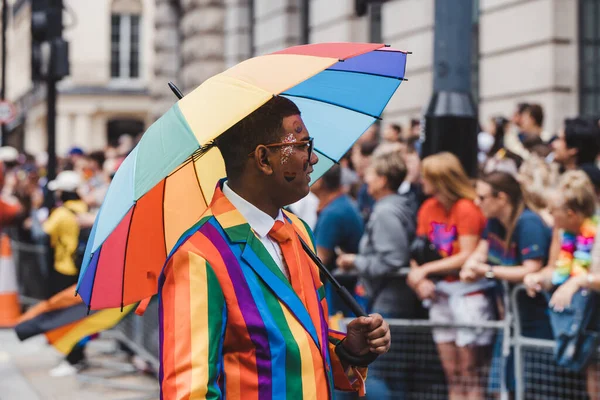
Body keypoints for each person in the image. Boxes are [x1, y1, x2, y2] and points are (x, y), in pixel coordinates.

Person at [158, 96, 391, 399]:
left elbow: (296, 346)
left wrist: (349, 350)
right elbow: (188, 393)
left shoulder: (300, 233)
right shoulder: (198, 255)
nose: (314, 158)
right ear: (264, 159)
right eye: (303, 146)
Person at [407, 152, 491, 400]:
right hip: (440, 294)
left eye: (426, 176)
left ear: (440, 179)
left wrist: (425, 271)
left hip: (467, 293)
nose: (422, 180)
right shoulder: (428, 207)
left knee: (470, 371)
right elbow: (418, 250)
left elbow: (467, 254)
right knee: (451, 372)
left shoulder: (467, 208)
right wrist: (419, 276)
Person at [460, 171, 553, 394]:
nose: (476, 202)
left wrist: (487, 272)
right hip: (512, 318)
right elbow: (480, 254)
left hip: (538, 319)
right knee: (503, 386)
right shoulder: (493, 223)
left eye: (482, 197)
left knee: (534, 387)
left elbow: (532, 269)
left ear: (501, 198)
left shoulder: (528, 222)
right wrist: (470, 267)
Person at [336, 151, 418, 399]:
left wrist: (355, 261)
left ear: (383, 179)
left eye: (370, 174)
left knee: (381, 375)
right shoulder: (394, 207)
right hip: (392, 301)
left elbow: (393, 259)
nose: (365, 178)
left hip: (389, 302)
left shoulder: (385, 212)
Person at [524, 171, 600, 400]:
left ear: (570, 213)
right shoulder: (563, 232)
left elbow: (584, 277)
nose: (548, 215)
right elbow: (555, 271)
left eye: (553, 211)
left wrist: (579, 280)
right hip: (588, 322)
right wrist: (536, 278)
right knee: (594, 376)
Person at [311, 164, 364, 316]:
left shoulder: (334, 212)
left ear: (320, 181)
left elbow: (318, 261)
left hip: (343, 300)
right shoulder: (339, 205)